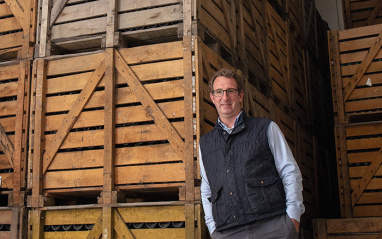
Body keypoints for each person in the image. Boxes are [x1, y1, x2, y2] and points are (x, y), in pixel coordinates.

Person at [199, 68, 305, 239]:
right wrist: (212, 227)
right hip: (228, 232)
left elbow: (289, 171)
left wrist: (293, 216)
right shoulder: (205, 143)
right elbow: (206, 188)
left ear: (240, 95)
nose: (225, 97)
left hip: (272, 226)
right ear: (212, 97)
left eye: (230, 91)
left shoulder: (266, 128)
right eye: (219, 92)